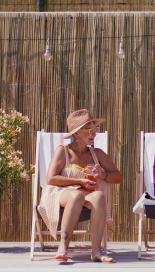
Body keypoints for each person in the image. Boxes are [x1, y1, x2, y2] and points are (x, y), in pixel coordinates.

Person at [38, 109, 123, 263]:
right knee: (76, 195)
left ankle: (96, 251)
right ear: (76, 133)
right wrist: (80, 181)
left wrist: (102, 175)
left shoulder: (97, 154)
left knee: (99, 196)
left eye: (95, 130)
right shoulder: (64, 151)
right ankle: (63, 247)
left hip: (86, 193)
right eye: (89, 131)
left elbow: (118, 177)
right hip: (61, 192)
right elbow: (51, 179)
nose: (94, 134)